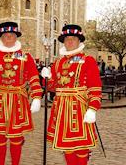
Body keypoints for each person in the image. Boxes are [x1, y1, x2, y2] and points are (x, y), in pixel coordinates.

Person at [0, 22, 43, 165]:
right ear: (1, 38)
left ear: (16, 37)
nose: (8, 39)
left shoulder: (26, 57)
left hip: (18, 100)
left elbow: (33, 77)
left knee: (16, 138)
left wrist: (37, 97)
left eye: (11, 36)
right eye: (5, 36)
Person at [41, 24, 102, 165]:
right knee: (67, 148)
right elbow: (53, 87)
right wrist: (46, 77)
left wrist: (93, 108)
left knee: (81, 149)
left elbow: (95, 86)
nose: (69, 42)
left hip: (79, 109)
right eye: (67, 39)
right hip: (61, 111)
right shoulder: (57, 63)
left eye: (73, 39)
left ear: (79, 41)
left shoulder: (88, 61)